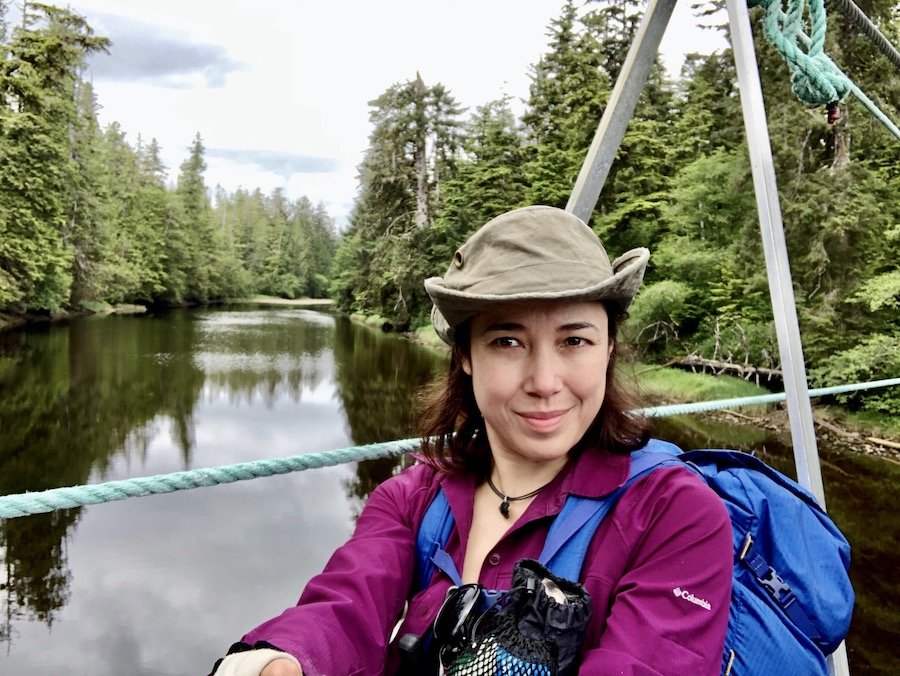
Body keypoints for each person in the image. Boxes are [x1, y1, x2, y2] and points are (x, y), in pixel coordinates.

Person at [210, 206, 733, 676]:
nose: (545, 381)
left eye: (575, 340)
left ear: (609, 347)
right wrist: (282, 660)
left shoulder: (674, 514)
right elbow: (349, 602)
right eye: (508, 342)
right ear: (465, 356)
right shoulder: (411, 499)